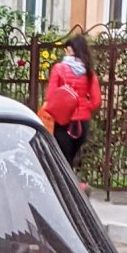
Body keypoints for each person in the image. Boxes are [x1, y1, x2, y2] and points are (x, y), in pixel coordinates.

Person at [42, 34, 102, 168]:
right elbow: (96, 100)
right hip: (82, 123)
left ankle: (63, 187)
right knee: (72, 158)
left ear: (70, 50)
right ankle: (71, 184)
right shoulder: (89, 72)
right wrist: (84, 107)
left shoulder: (59, 68)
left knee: (63, 159)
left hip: (63, 121)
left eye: (66, 49)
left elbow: (51, 96)